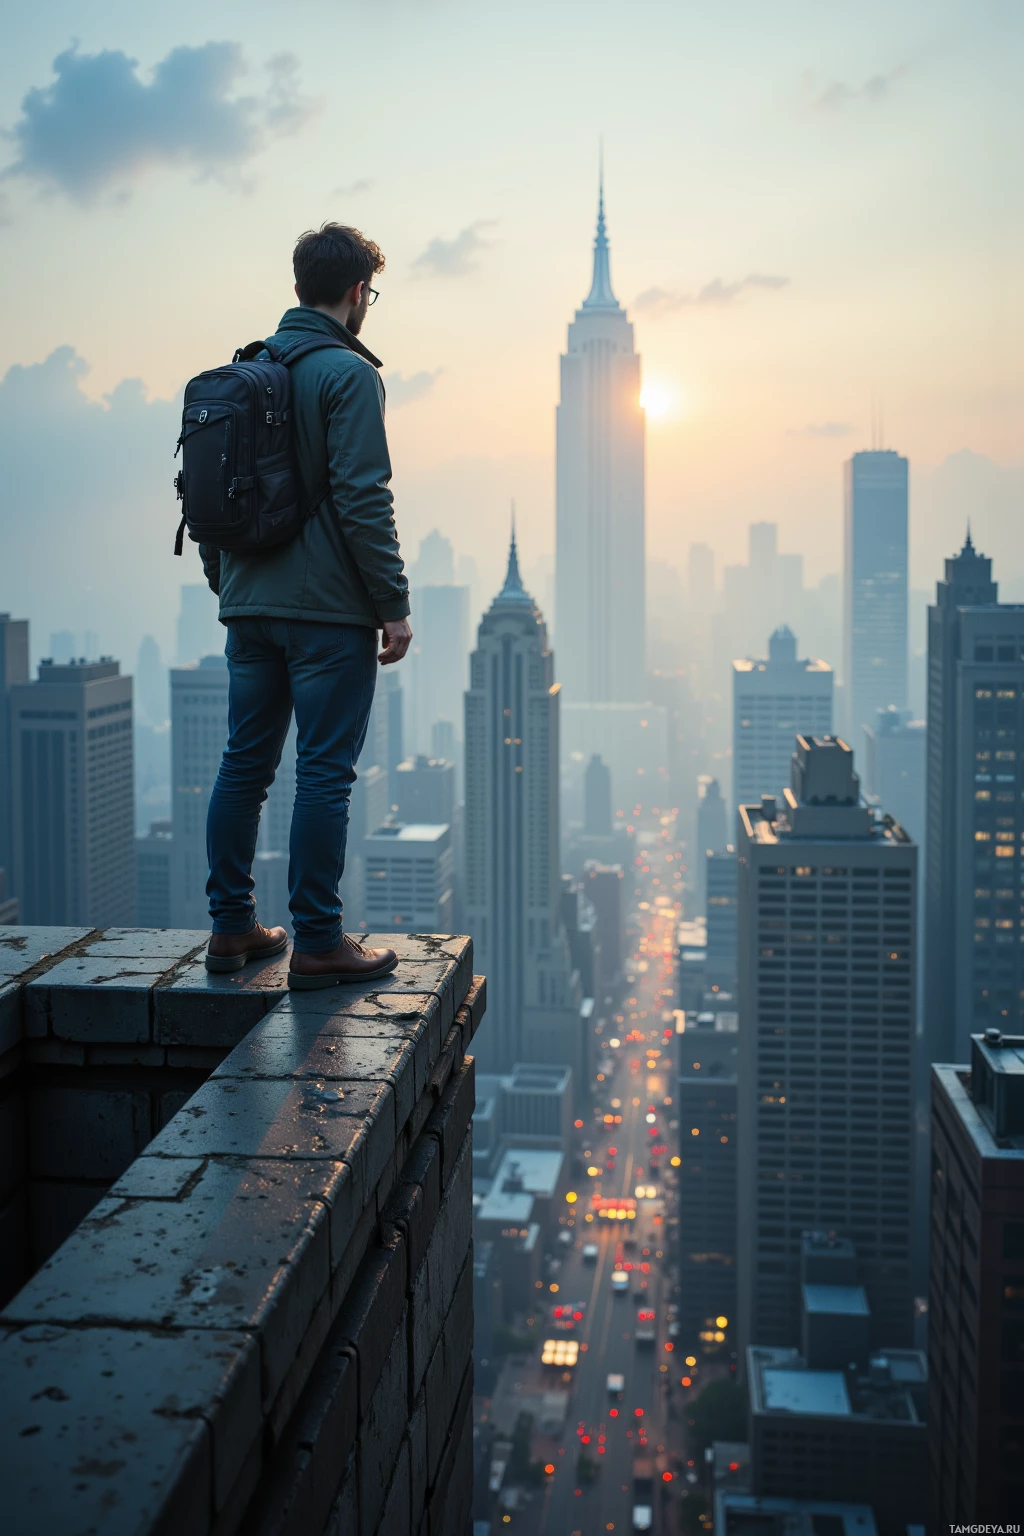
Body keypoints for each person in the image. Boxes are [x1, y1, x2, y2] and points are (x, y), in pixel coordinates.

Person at [200, 223, 411, 989]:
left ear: (297, 289)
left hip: (248, 605)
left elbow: (208, 498)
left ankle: (231, 929)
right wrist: (391, 604)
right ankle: (318, 940)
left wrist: (231, 586)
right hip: (325, 612)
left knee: (244, 764)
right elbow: (363, 496)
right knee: (324, 771)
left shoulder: (247, 369)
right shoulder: (346, 375)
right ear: (358, 293)